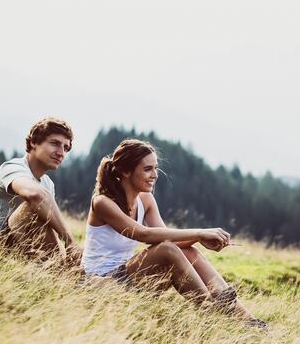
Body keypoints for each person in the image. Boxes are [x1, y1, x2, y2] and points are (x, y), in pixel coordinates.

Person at [81, 138, 264, 326]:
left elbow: (167, 238)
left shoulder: (146, 199)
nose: (155, 175)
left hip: (127, 277)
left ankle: (249, 321)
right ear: (126, 171)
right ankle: (211, 312)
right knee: (167, 249)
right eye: (147, 169)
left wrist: (198, 240)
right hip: (99, 283)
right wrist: (199, 232)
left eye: (156, 168)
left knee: (188, 251)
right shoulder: (102, 202)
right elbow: (144, 234)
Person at [0, 117, 82, 264]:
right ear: (33, 142)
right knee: (32, 205)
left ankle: (66, 270)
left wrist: (69, 254)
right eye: (55, 143)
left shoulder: (47, 184)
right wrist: (70, 242)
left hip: (18, 251)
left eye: (65, 148)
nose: (61, 152)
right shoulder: (13, 167)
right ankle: (64, 270)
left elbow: (48, 230)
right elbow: (34, 195)